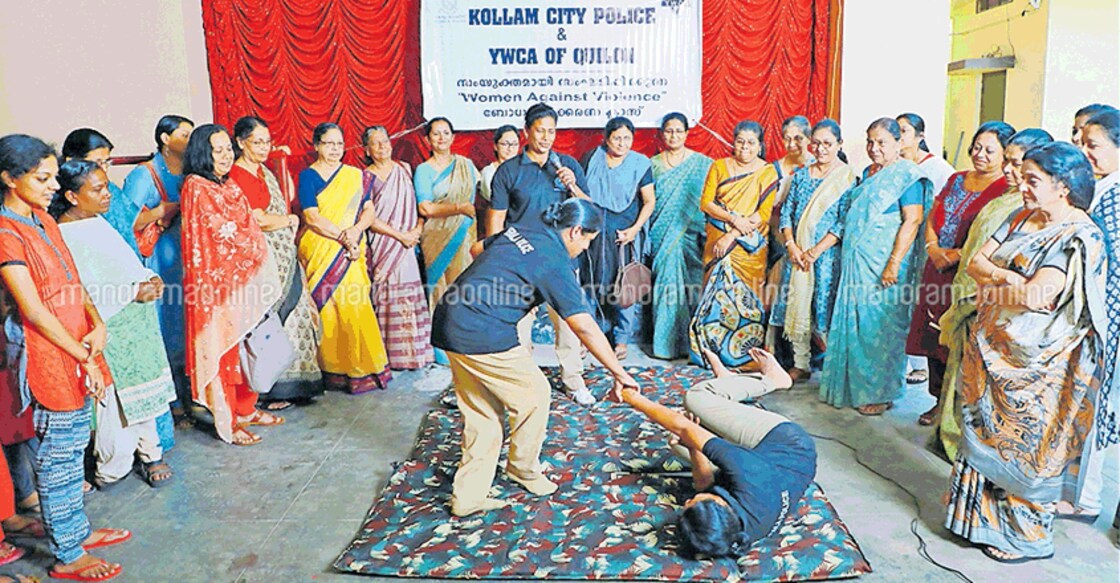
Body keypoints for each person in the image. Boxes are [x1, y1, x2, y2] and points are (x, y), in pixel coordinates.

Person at [945, 142, 1108, 563]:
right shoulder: (1021, 215)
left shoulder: (1079, 235)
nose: (1023, 185)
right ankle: (977, 522)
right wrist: (1005, 278)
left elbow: (1038, 295)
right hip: (990, 354)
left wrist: (997, 282)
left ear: (1064, 187)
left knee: (1029, 448)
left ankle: (1025, 538)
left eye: (1033, 180)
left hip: (1040, 366)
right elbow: (975, 263)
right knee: (984, 436)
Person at [431, 198, 638, 517]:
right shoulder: (555, 261)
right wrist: (619, 374)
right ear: (576, 231)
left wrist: (504, 281)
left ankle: (467, 497)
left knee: (483, 412)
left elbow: (476, 250)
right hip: (481, 331)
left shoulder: (526, 229)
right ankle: (523, 468)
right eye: (587, 241)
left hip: (449, 318)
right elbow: (583, 326)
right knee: (535, 395)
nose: (585, 249)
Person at [0, 134, 130, 581]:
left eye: (55, 176)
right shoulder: (5, 232)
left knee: (74, 450)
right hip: (48, 354)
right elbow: (33, 310)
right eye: (43, 178)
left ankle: (77, 530)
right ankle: (68, 553)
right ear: (8, 179)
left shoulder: (42, 219)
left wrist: (97, 323)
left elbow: (73, 279)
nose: (53, 186)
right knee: (58, 456)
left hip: (77, 343)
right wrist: (83, 356)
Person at [613, 346, 814, 558]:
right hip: (786, 441)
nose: (687, 501)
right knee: (697, 398)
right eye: (693, 503)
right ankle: (773, 380)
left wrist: (692, 447)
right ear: (720, 503)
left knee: (678, 445)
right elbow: (683, 426)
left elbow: (704, 485)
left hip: (764, 466)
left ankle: (730, 386)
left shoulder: (731, 533)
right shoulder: (748, 476)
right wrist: (631, 397)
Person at [49, 160, 177, 488]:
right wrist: (135, 291)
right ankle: (112, 465)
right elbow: (80, 287)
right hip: (110, 326)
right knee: (119, 402)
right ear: (72, 196)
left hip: (138, 322)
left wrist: (149, 278)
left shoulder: (95, 221)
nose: (108, 195)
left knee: (147, 395)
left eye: (107, 186)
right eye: (98, 189)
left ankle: (152, 454)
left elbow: (125, 264)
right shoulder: (64, 234)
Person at [938, 128, 1053, 460]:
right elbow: (977, 261)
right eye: (1010, 162)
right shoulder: (1011, 205)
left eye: (1015, 163)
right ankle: (959, 445)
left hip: (1010, 322)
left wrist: (999, 279)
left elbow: (1034, 289)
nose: (1007, 170)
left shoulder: (1041, 216)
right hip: (977, 301)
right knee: (966, 385)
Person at [820, 118, 931, 416]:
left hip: (887, 265)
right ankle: (854, 386)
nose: (874, 148)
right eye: (870, 141)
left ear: (898, 143)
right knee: (857, 326)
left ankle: (882, 392)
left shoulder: (907, 176)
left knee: (881, 329)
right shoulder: (869, 173)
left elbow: (913, 220)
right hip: (858, 263)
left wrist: (893, 263)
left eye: (882, 142)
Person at [181, 125, 284, 446]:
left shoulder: (229, 185)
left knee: (245, 349)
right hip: (215, 288)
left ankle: (245, 409)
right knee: (222, 353)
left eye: (228, 149)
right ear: (202, 153)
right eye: (219, 150)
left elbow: (248, 227)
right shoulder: (196, 187)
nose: (227, 156)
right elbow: (219, 233)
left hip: (242, 281)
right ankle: (227, 421)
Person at [906, 121, 1013, 426]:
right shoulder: (956, 179)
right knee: (931, 332)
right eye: (977, 147)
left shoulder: (1006, 190)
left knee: (955, 337)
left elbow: (993, 237)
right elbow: (933, 214)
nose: (979, 154)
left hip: (965, 275)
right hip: (935, 268)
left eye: (989, 150)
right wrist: (932, 247)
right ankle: (937, 400)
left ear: (1006, 155)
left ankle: (955, 409)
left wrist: (954, 255)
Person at [488, 102, 594, 405]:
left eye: (551, 131)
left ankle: (573, 380)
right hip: (518, 260)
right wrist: (495, 260)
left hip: (558, 258)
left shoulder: (567, 166)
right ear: (526, 132)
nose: (546, 137)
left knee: (569, 321)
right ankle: (519, 384)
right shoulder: (508, 171)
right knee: (519, 325)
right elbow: (496, 219)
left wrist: (573, 186)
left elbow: (588, 210)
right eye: (540, 131)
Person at [228, 116, 324, 409]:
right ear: (241, 143)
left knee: (298, 313)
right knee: (274, 317)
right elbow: (257, 219)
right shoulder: (238, 174)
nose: (264, 147)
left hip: (284, 254)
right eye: (257, 142)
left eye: (267, 142)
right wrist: (289, 220)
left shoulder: (262, 171)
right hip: (265, 258)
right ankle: (274, 390)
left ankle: (299, 384)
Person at [297, 123, 392, 393]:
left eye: (339, 144)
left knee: (357, 304)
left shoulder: (355, 176)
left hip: (351, 246)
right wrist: (344, 237)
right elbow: (312, 217)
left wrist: (356, 231)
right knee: (329, 310)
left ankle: (364, 369)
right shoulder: (308, 176)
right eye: (328, 143)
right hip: (323, 246)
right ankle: (334, 371)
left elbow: (369, 212)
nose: (335, 149)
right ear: (316, 145)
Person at [1064, 107, 1120, 524]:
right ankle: (1076, 494)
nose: (1084, 151)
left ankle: (1087, 499)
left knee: (1097, 407)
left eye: (1093, 145)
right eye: (1080, 142)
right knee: (1082, 405)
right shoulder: (1101, 187)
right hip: (1089, 318)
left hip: (1109, 322)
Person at [769, 119, 856, 382]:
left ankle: (833, 368)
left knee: (823, 309)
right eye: (815, 143)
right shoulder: (801, 176)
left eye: (827, 144)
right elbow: (786, 213)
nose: (820, 149)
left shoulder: (847, 178)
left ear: (839, 145)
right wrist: (792, 246)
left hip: (827, 258)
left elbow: (844, 221)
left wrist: (815, 252)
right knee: (796, 306)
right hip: (796, 256)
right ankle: (801, 363)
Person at [691, 120, 779, 370]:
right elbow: (706, 203)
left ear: (760, 145)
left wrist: (731, 235)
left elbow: (762, 215)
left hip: (747, 246)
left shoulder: (767, 172)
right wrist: (732, 219)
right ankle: (710, 354)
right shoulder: (719, 167)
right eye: (740, 141)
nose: (745, 147)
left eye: (751, 142)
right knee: (714, 297)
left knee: (748, 301)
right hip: (716, 238)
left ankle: (747, 358)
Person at [123, 115, 194, 419]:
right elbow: (126, 222)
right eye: (184, 134)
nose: (190, 141)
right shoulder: (145, 174)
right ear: (165, 139)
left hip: (187, 259)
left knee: (187, 324)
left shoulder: (191, 172)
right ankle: (169, 400)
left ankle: (190, 394)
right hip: (158, 262)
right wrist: (162, 211)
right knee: (165, 326)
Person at [580, 117, 656, 360]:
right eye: (617, 138)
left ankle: (621, 340)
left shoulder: (640, 164)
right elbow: (581, 195)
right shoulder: (592, 158)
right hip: (593, 232)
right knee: (590, 282)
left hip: (624, 235)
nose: (622, 143)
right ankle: (589, 338)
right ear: (606, 138)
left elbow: (649, 201)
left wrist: (634, 230)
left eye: (627, 138)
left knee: (624, 285)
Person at [361, 125, 433, 370]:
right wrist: (399, 236)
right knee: (388, 294)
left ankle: (416, 355)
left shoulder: (404, 169)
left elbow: (417, 206)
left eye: (386, 141)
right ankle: (391, 356)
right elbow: (368, 218)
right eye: (376, 143)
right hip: (385, 244)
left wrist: (416, 231)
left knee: (411, 294)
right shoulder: (364, 177)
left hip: (408, 244)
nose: (383, 147)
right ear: (367, 150)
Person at [414, 117, 480, 366]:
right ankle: (442, 347)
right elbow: (426, 207)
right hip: (436, 238)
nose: (441, 138)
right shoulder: (423, 170)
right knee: (439, 290)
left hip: (464, 235)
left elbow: (475, 203)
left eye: (446, 133)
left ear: (453, 137)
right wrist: (458, 207)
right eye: (436, 134)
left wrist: (464, 211)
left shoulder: (466, 165)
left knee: (463, 289)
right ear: (427, 140)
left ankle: (465, 341)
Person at [897, 112, 955, 386]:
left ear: (920, 137)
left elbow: (948, 208)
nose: (900, 137)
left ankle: (919, 363)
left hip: (925, 241)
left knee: (919, 300)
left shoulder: (938, 169)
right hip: (899, 240)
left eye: (905, 131)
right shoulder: (893, 166)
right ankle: (900, 359)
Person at [649, 113, 712, 359]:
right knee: (665, 287)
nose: (673, 136)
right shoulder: (653, 164)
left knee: (692, 288)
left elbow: (708, 201)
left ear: (687, 133)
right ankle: (664, 346)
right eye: (669, 131)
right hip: (663, 235)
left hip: (694, 237)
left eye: (678, 131)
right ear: (662, 134)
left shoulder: (703, 164)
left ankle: (692, 346)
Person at [60, 128, 141, 257]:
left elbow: (131, 221)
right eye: (98, 162)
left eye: (106, 162)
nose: (104, 168)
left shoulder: (110, 187)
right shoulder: (61, 198)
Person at [478, 125, 519, 239]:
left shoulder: (525, 169)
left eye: (514, 144)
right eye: (505, 144)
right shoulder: (488, 172)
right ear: (496, 146)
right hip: (498, 224)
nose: (510, 148)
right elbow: (493, 199)